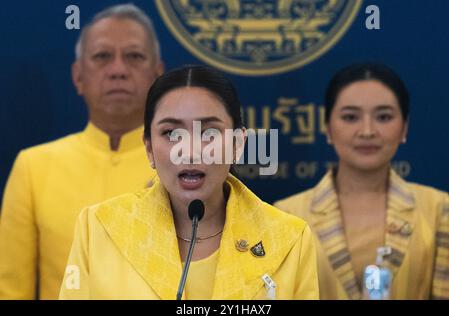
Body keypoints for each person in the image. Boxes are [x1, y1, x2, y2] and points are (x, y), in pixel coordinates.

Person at [59, 65, 319, 300]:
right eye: (172, 133)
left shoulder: (287, 238)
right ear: (149, 148)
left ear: (238, 144)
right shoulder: (100, 227)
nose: (191, 150)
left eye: (209, 133)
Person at [0, 4, 164, 299]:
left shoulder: (188, 167)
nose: (118, 70)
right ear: (78, 77)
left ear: (158, 75)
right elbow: (10, 292)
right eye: (102, 57)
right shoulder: (32, 167)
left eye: (134, 56)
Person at [275, 62, 449, 299]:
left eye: (384, 116)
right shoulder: (286, 214)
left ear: (404, 127)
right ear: (327, 127)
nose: (367, 131)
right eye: (350, 117)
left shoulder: (439, 209)